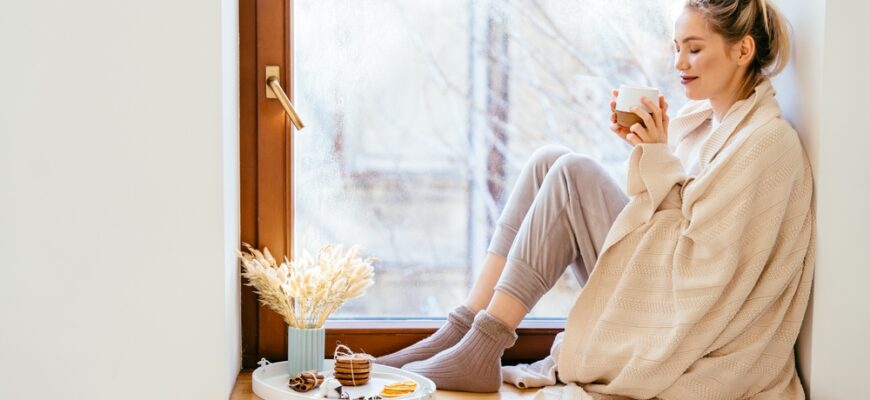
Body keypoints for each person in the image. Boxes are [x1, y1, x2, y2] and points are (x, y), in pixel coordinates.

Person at [376, 0, 815, 398]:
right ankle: (463, 330)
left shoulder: (765, 143)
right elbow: (669, 208)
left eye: (695, 49)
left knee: (573, 173)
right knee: (550, 160)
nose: (679, 62)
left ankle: (483, 346)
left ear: (743, 51)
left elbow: (703, 268)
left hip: (686, 310)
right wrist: (646, 149)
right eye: (676, 47)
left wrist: (657, 156)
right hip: (661, 275)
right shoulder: (702, 121)